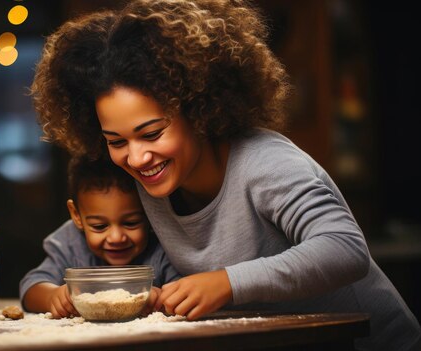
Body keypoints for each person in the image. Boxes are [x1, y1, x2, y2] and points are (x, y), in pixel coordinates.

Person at [29, 0, 421, 350]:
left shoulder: (265, 162)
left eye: (152, 133)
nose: (136, 157)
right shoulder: (146, 180)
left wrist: (226, 282)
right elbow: (84, 232)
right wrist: (52, 292)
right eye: (116, 141)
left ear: (200, 110)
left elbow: (345, 249)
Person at [19, 155, 181, 318]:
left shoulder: (162, 245)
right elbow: (31, 286)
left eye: (131, 223)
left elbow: (182, 289)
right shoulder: (70, 244)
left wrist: (160, 298)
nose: (116, 238)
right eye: (100, 226)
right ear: (76, 215)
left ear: (151, 211)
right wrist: (52, 296)